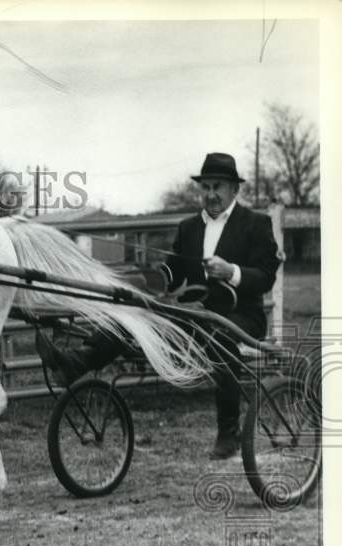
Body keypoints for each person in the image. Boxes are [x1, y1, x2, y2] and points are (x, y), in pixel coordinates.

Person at [36, 152, 281, 460]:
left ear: (235, 190)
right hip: (194, 317)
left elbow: (266, 277)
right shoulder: (189, 228)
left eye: (217, 187)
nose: (211, 194)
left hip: (240, 317)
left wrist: (230, 271)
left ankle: (228, 431)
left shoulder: (256, 224)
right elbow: (171, 272)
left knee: (221, 338)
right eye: (205, 187)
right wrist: (149, 277)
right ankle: (77, 362)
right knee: (133, 320)